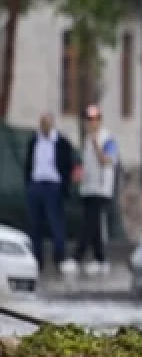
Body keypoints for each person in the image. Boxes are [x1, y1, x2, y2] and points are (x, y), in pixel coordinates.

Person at [23, 113, 78, 275]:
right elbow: (29, 163)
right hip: (36, 185)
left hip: (53, 186)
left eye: (47, 124)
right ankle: (37, 258)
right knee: (35, 224)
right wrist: (29, 183)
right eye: (43, 124)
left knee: (56, 223)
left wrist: (64, 185)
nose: (45, 127)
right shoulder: (34, 141)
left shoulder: (61, 143)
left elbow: (68, 164)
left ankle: (59, 257)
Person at [72, 104, 119, 275]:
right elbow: (86, 163)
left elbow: (107, 160)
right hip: (88, 187)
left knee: (89, 223)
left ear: (100, 120)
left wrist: (96, 144)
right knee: (95, 225)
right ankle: (100, 259)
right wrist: (79, 175)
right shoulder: (86, 140)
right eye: (89, 119)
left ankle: (77, 257)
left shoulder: (108, 139)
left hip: (101, 187)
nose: (92, 122)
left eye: (95, 119)